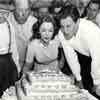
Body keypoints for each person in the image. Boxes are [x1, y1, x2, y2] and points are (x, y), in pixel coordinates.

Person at [58, 4, 100, 99]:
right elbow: (70, 56)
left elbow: (97, 59)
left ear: (77, 21)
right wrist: (78, 78)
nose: (65, 31)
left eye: (68, 26)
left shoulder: (91, 31)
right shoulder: (62, 32)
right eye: (62, 26)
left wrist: (97, 82)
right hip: (89, 57)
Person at [8, 0, 37, 70]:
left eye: (26, 10)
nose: (23, 14)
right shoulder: (5, 20)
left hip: (28, 66)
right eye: (20, 10)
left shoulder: (35, 23)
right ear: (13, 8)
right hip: (7, 65)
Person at [0, 8, 19, 98]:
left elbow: (13, 47)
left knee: (8, 92)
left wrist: (17, 66)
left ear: (8, 14)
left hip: (7, 62)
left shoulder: (9, 26)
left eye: (4, 13)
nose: (1, 15)